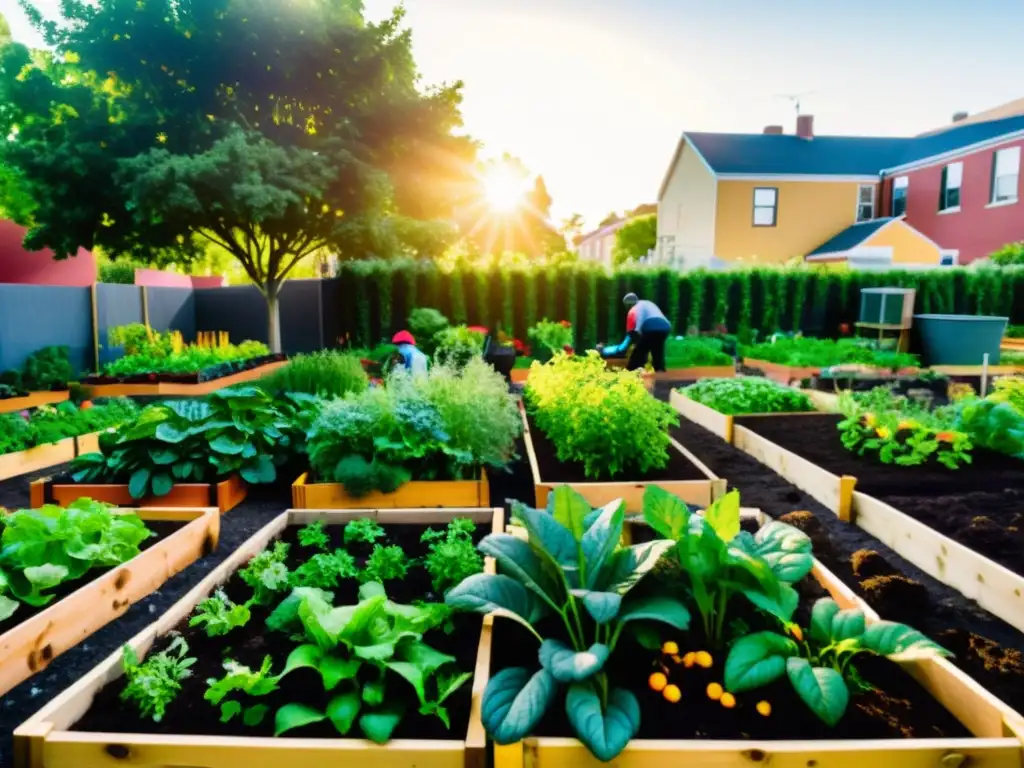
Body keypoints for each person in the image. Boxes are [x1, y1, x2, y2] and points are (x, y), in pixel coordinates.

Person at [600, 293, 671, 371]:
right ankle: (660, 369)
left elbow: (640, 317)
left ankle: (633, 368)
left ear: (629, 304)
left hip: (651, 327)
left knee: (641, 349)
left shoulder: (635, 308)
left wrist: (637, 330)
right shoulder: (647, 303)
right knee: (657, 349)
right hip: (665, 327)